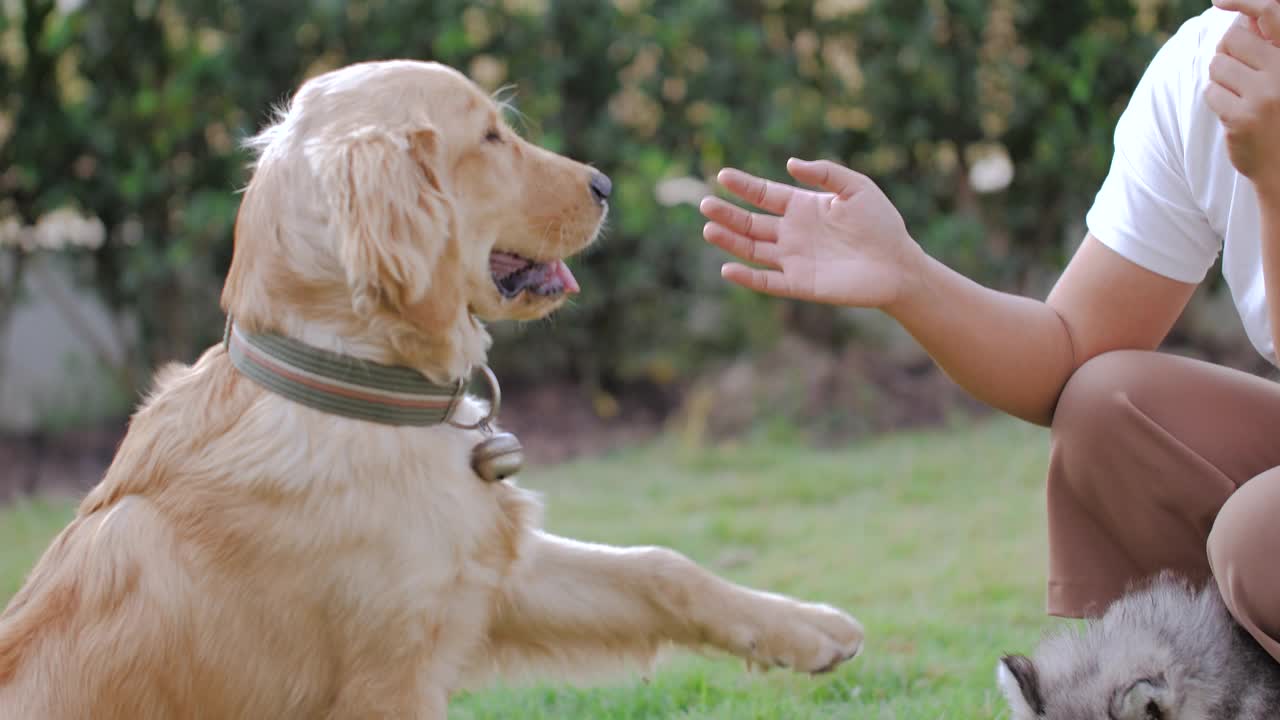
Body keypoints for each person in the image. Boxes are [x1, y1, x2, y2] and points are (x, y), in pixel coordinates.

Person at [700, 0, 1280, 663]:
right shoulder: (1207, 72)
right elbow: (1069, 352)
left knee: (1263, 540)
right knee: (1104, 404)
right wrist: (909, 279)